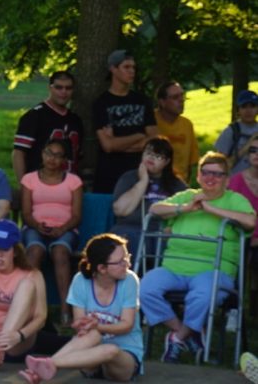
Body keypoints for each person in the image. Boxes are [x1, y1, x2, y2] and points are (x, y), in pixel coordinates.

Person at [140, 151, 255, 363]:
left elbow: (250, 222)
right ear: (199, 176)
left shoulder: (234, 199)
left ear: (227, 180)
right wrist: (185, 208)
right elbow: (155, 209)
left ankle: (177, 338)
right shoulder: (187, 196)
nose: (211, 178)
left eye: (218, 174)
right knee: (145, 288)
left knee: (202, 295)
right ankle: (186, 333)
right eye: (206, 172)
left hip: (213, 270)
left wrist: (211, 209)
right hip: (173, 268)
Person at [18, 233, 143, 383]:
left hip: (123, 359)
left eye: (126, 257)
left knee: (111, 350)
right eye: (121, 261)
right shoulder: (81, 281)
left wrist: (98, 326)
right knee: (92, 335)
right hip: (90, 359)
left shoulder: (129, 280)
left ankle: (47, 365)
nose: (127, 264)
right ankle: (42, 370)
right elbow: (81, 328)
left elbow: (127, 325)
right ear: (102, 268)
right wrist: (83, 325)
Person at [20, 138, 83, 325]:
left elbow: (77, 215)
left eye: (58, 155)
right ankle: (26, 309)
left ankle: (65, 311)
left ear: (64, 159)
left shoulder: (74, 181)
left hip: (66, 229)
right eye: (49, 153)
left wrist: (62, 228)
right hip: (35, 227)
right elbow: (26, 213)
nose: (52, 159)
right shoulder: (29, 179)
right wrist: (37, 225)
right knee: (35, 251)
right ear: (42, 153)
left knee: (60, 252)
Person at [0, 220, 47, 371]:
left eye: (5, 249)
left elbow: (41, 317)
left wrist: (19, 335)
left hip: (14, 343)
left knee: (27, 285)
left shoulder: (33, 274)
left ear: (16, 251)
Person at [110, 136, 188, 260]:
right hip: (130, 228)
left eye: (158, 156)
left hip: (161, 230)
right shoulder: (129, 177)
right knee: (133, 238)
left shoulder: (177, 185)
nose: (151, 158)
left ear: (167, 161)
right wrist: (143, 181)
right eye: (148, 153)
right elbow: (120, 210)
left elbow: (186, 211)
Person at [91, 50, 159, 194]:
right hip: (110, 175)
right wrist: (139, 136)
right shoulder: (102, 103)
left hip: (139, 173)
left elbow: (153, 140)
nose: (132, 71)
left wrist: (119, 144)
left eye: (133, 67)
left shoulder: (142, 101)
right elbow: (108, 146)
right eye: (126, 67)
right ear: (113, 69)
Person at [12, 71, 84, 182]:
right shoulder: (34, 116)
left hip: (69, 184)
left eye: (68, 88)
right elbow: (19, 153)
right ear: (50, 88)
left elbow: (78, 156)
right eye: (58, 87)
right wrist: (24, 185)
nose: (63, 92)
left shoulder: (76, 120)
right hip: (39, 184)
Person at [225, 142, 258, 318]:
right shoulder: (236, 180)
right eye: (253, 150)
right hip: (240, 235)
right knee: (238, 255)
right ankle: (233, 310)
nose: (256, 154)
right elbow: (229, 216)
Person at [154, 81, 199, 182]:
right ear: (162, 102)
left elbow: (191, 163)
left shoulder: (187, 124)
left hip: (180, 183)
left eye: (182, 96)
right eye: (175, 97)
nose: (181, 100)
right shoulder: (151, 122)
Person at [214, 89, 258, 175]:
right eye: (244, 106)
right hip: (234, 181)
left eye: (252, 106)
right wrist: (249, 144)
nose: (248, 111)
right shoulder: (231, 131)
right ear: (238, 110)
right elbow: (219, 166)